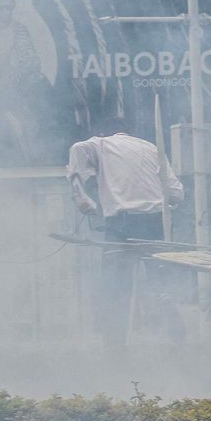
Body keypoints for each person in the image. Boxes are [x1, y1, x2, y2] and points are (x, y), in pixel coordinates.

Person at [66, 113, 183, 345]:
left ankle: (114, 347)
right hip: (156, 224)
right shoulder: (151, 148)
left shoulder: (101, 143)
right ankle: (173, 331)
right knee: (161, 280)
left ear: (103, 133)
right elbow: (177, 194)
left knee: (114, 287)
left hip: (122, 225)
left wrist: (80, 196)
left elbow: (78, 148)